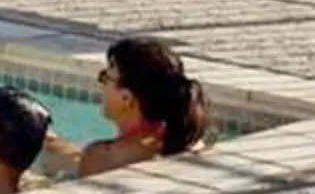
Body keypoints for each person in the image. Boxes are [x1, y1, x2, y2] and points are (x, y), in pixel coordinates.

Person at [49, 37, 210, 179]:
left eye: (106, 77)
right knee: (62, 153)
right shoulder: (191, 142)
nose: (101, 85)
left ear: (126, 98)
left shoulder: (101, 157)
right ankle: (49, 140)